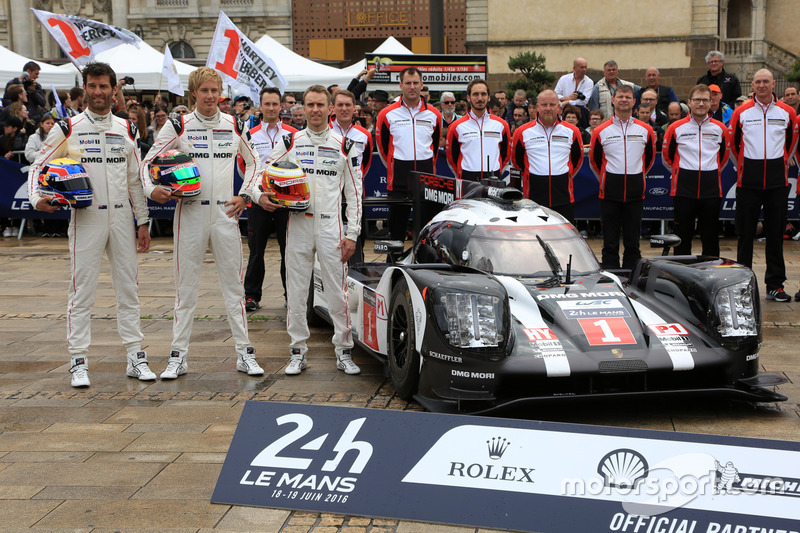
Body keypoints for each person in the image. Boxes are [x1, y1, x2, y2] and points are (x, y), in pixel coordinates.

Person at [26, 61, 153, 387]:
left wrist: (144, 221)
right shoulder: (68, 127)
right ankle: (78, 360)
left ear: (113, 90)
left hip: (123, 219)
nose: (98, 92)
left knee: (129, 290)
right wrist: (36, 198)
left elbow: (135, 180)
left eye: (104, 86)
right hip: (87, 218)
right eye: (92, 86)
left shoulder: (128, 129)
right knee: (82, 292)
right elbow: (40, 164)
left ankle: (136, 356)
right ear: (85, 89)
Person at [143, 66, 267, 378]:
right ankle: (178, 356)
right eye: (204, 91)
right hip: (190, 213)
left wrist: (246, 195)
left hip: (226, 215)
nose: (210, 96)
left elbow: (255, 163)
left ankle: (244, 353)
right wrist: (152, 189)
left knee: (234, 289)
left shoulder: (234, 123)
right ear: (194, 93)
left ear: (220, 92)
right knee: (186, 290)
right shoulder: (179, 123)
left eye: (214, 90)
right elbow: (148, 162)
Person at [267, 85, 363, 376]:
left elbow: (355, 194)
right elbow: (268, 174)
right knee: (296, 291)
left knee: (337, 290)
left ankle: (344, 350)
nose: (315, 110)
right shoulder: (289, 140)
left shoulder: (344, 145)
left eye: (321, 105)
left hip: (331, 226)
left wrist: (353, 234)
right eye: (310, 105)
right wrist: (274, 195)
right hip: (297, 223)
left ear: (330, 108)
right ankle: (297, 351)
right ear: (302, 108)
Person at [729, 69, 799, 302]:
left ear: (773, 84)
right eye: (757, 81)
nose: (761, 85)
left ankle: (775, 285)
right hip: (748, 180)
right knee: (745, 234)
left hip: (777, 182)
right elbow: (734, 146)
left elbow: (790, 145)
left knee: (775, 234)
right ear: (752, 84)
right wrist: (747, 166)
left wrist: (779, 163)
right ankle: (742, 285)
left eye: (765, 81)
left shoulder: (787, 112)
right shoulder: (741, 112)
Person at [589, 84, 657, 270]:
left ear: (634, 101)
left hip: (635, 194)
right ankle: (611, 274)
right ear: (613, 100)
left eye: (628, 97)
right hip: (609, 193)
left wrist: (637, 176)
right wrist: (606, 180)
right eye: (620, 96)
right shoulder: (600, 131)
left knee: (633, 242)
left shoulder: (646, 130)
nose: (624, 100)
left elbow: (649, 159)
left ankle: (633, 274)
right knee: (610, 242)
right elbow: (595, 161)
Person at [243, 87, 297, 312]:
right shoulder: (250, 133)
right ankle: (251, 296)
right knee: (256, 251)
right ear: (260, 106)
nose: (272, 108)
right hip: (258, 200)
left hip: (287, 201)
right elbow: (244, 165)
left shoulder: (294, 133)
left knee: (290, 251)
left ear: (281, 106)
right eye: (267, 104)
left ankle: (291, 295)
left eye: (276, 104)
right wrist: (256, 192)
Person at [662, 84, 731, 257]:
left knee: (711, 236)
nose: (701, 103)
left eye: (705, 100)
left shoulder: (720, 129)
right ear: (690, 102)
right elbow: (667, 158)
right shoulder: (675, 127)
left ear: (711, 102)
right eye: (697, 100)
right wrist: (681, 173)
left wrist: (710, 172)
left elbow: (723, 158)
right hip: (683, 189)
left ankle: (712, 275)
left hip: (711, 189)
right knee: (682, 237)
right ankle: (681, 278)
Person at [376, 67, 442, 240]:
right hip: (398, 182)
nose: (412, 87)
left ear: (421, 85)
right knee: (397, 231)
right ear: (400, 85)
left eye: (415, 83)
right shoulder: (386, 114)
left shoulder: (434, 114)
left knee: (426, 232)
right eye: (408, 83)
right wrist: (394, 166)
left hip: (426, 181)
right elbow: (383, 149)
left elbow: (434, 147)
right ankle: (393, 262)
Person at [511, 90, 584, 224]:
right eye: (544, 105)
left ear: (559, 107)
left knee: (564, 239)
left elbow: (577, 160)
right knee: (534, 239)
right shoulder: (522, 131)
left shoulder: (572, 131)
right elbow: (517, 161)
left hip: (564, 197)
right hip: (533, 198)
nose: (548, 108)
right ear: (537, 107)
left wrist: (565, 175)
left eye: (552, 104)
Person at [330, 88, 374, 263]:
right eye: (340, 105)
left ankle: (357, 269)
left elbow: (367, 162)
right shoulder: (325, 130)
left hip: (354, 191)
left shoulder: (364, 135)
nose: (344, 109)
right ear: (332, 108)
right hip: (330, 190)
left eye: (348, 105)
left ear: (354, 107)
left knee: (356, 234)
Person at [446, 78, 511, 182]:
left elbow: (506, 155)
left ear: (489, 97)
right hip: (467, 179)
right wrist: (461, 174)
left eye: (483, 94)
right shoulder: (456, 126)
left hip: (493, 178)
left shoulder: (502, 125)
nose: (480, 98)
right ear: (468, 97)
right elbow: (451, 157)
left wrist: (497, 172)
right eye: (475, 94)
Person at [555, 57, 593, 124]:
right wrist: (568, 98)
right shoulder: (564, 79)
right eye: (581, 67)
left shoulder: (589, 82)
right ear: (574, 68)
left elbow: (584, 101)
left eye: (585, 67)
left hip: (580, 115)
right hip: (563, 113)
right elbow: (555, 95)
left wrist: (567, 102)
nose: (584, 70)